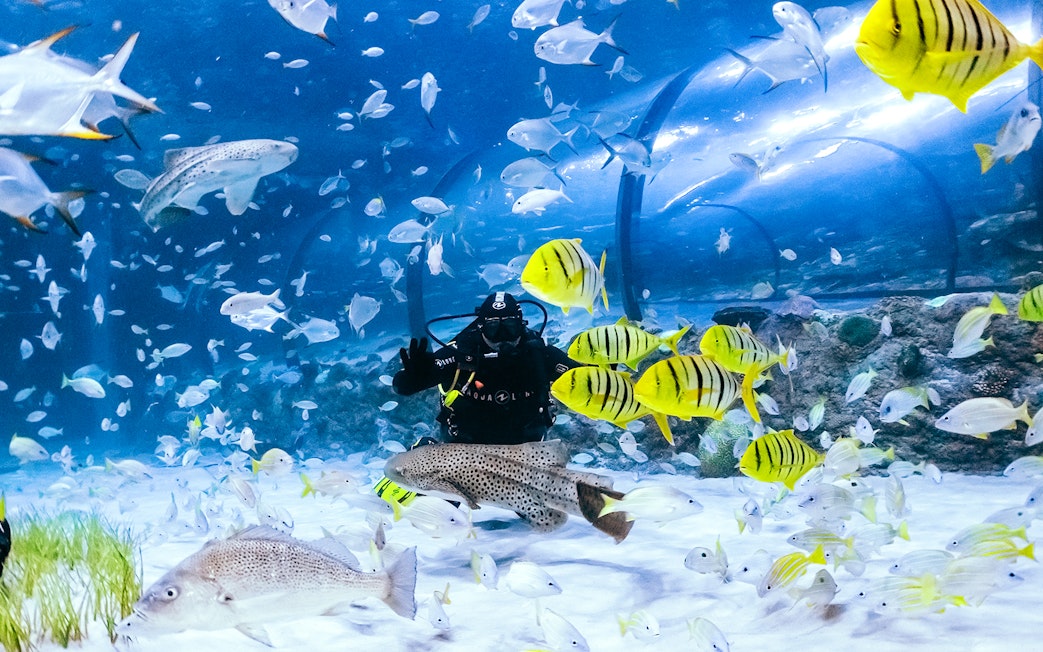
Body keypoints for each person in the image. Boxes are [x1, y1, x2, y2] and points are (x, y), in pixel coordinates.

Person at [392, 291, 579, 445]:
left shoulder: (539, 355)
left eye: (510, 326)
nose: (502, 336)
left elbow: (585, 376)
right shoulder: (460, 354)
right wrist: (414, 376)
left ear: (521, 326)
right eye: (493, 327)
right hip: (464, 447)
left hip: (527, 449)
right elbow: (402, 387)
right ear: (481, 328)